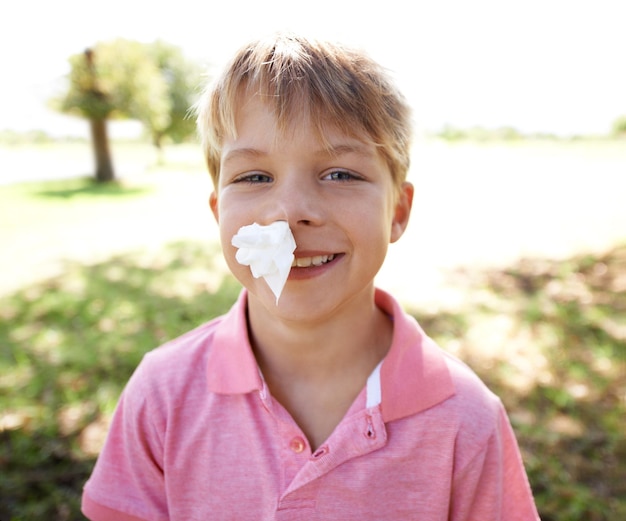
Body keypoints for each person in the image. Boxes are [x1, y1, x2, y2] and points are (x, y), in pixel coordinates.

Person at [81, 32, 540, 520]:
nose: (290, 212)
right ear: (219, 213)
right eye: (254, 177)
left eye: (340, 174)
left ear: (397, 211)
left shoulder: (465, 420)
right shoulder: (162, 395)